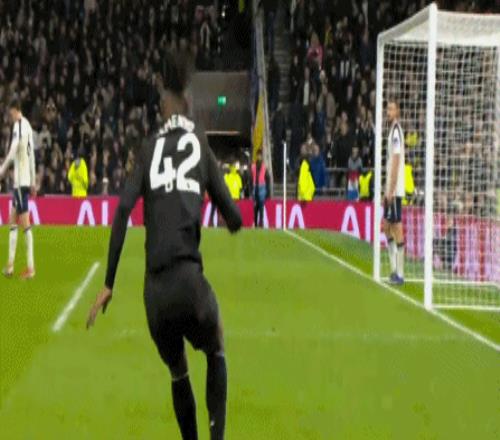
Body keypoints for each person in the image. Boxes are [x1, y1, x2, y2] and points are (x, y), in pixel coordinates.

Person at [86, 53, 242, 440]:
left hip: (154, 295)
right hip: (189, 283)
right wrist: (224, 215)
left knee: (177, 369)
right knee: (216, 343)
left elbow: (122, 211)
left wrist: (108, 283)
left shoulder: (148, 147)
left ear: (164, 106)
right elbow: (233, 215)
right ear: (187, 102)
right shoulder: (199, 142)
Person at [0, 99, 36, 279]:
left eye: (11, 113)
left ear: (15, 110)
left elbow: (13, 150)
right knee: (12, 220)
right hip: (23, 181)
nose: (10, 116)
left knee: (25, 224)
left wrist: (1, 169)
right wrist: (33, 180)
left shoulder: (18, 126)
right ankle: (10, 266)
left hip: (21, 182)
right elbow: (32, 155)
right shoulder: (28, 126)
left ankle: (30, 268)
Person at [383, 99, 405, 285]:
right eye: (387, 108)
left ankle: (400, 273)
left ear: (397, 111)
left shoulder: (396, 131)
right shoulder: (391, 130)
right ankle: (393, 269)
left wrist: (391, 190)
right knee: (386, 226)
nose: (388, 111)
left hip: (395, 188)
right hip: (390, 186)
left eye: (391, 109)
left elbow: (396, 161)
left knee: (396, 227)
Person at [251, 150, 271, 227]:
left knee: (261, 206)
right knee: (255, 207)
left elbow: (268, 178)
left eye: (260, 155)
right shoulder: (253, 166)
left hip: (262, 187)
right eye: (258, 155)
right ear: (256, 156)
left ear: (262, 157)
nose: (259, 157)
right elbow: (251, 178)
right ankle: (256, 223)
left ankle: (261, 223)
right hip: (255, 186)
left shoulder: (264, 167)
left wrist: (267, 190)